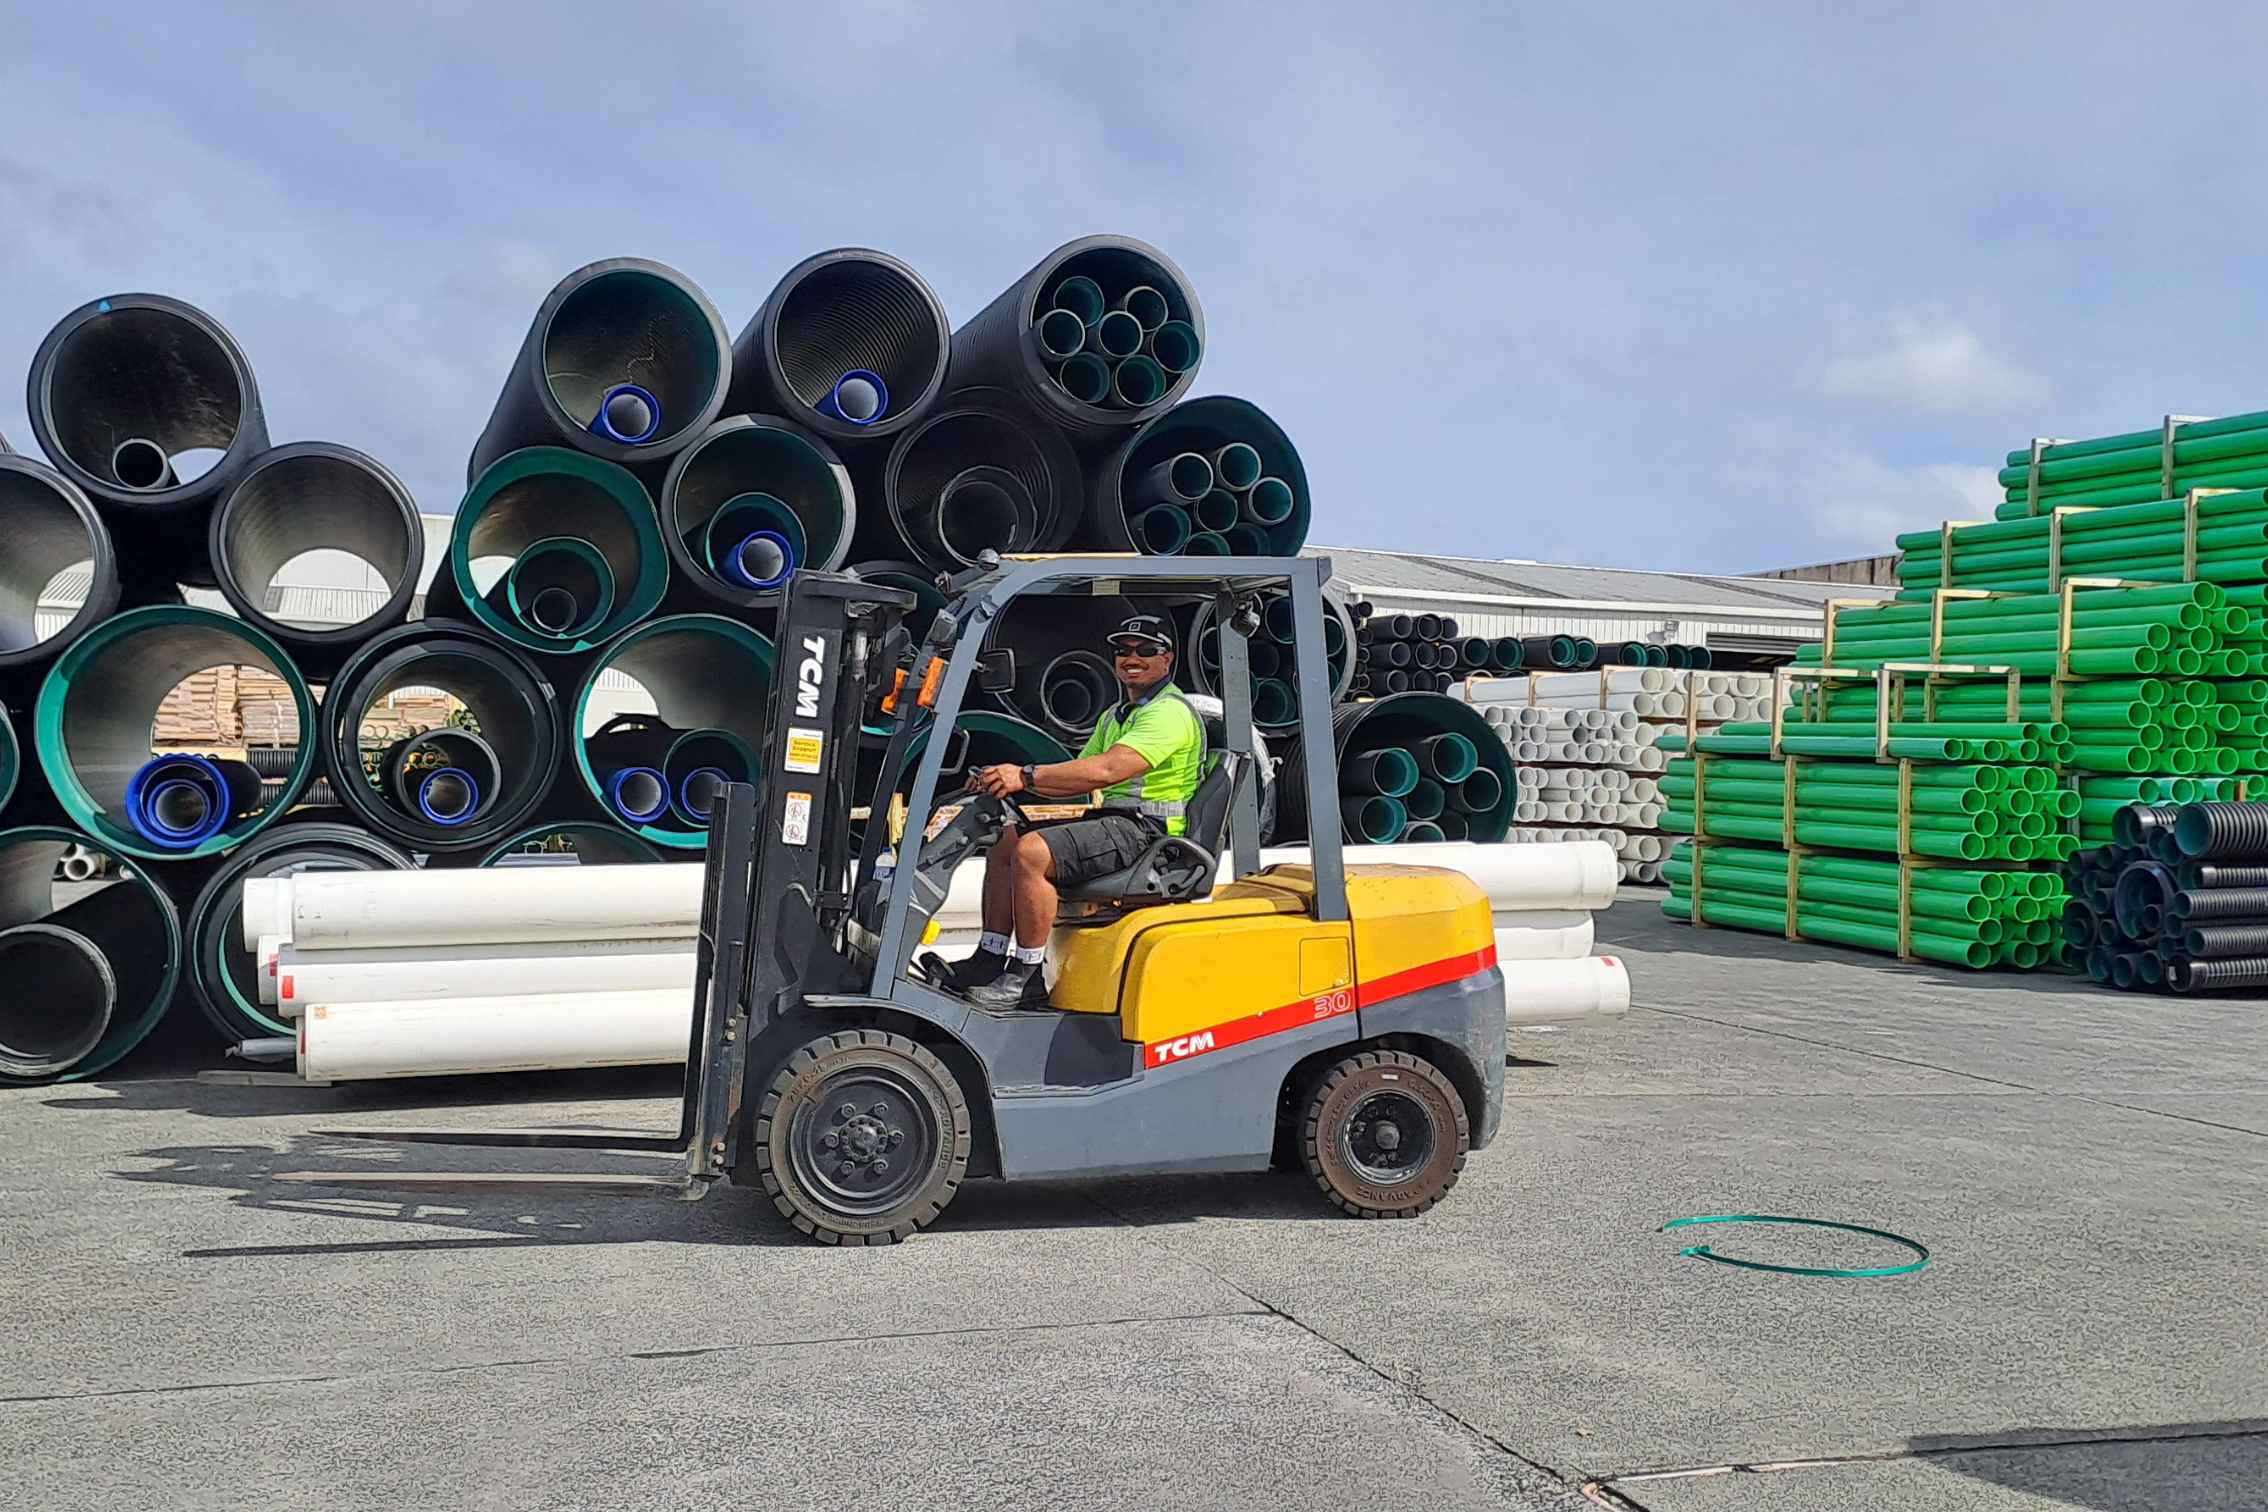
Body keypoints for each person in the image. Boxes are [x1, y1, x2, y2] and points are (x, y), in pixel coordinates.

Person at [953, 613, 1206, 1008]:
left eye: (1145, 650)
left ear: (1167, 659)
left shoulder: (1168, 713)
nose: (1132, 658)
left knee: (1032, 853)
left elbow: (1106, 771)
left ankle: (1027, 976)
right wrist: (1004, 781)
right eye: (1122, 650)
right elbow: (1075, 778)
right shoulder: (1118, 715)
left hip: (1151, 833)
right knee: (1005, 840)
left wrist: (1025, 774)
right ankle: (989, 957)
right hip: (1117, 823)